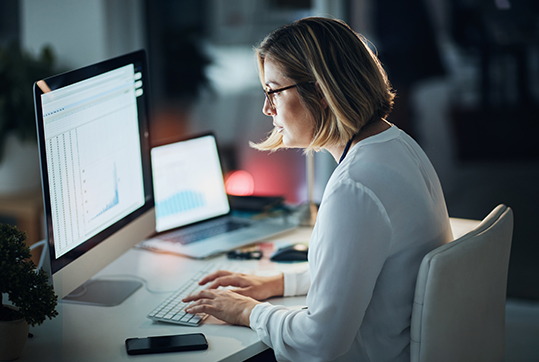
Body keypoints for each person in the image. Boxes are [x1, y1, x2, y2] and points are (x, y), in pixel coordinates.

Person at [183, 17, 453, 361]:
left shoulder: (355, 188)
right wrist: (278, 283)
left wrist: (246, 312)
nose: (267, 108)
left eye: (273, 91)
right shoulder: (397, 144)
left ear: (321, 93)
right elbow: (359, 266)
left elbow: (320, 341)